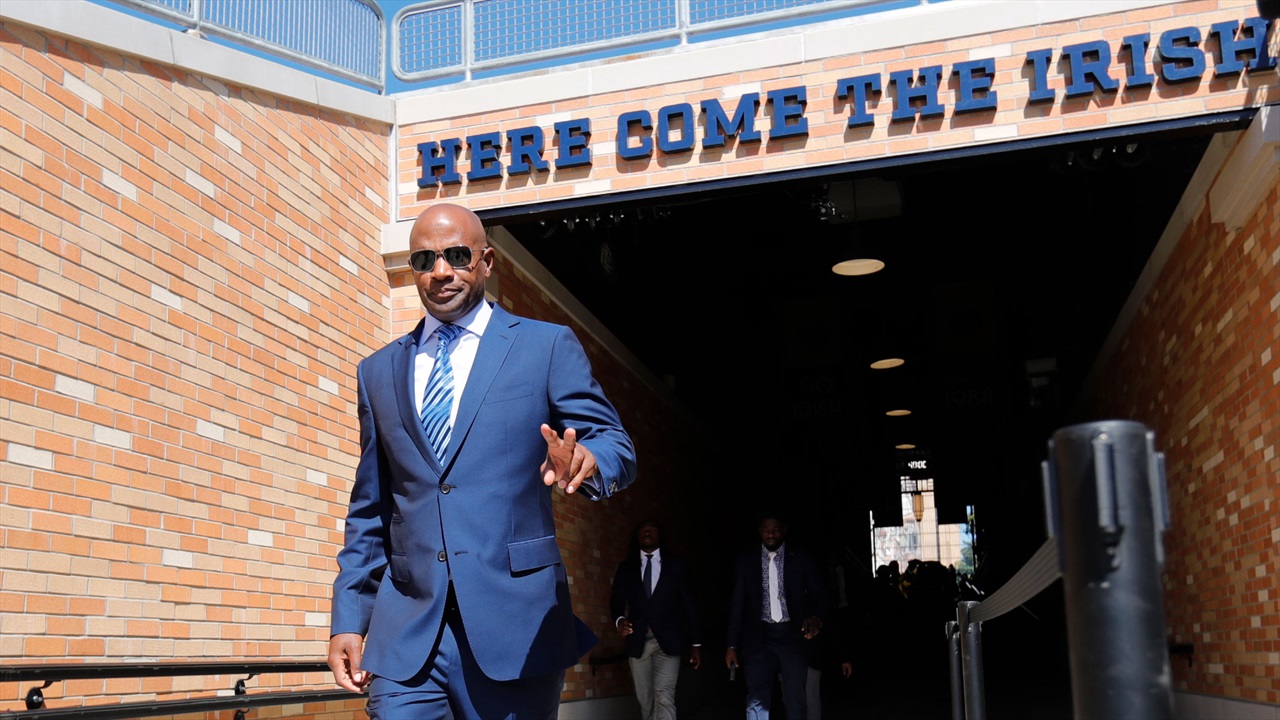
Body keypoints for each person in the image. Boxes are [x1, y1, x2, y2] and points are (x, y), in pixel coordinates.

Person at [326, 203, 638, 720]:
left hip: (516, 626)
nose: (440, 271)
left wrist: (588, 459)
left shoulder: (544, 346)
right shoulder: (377, 371)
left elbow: (615, 444)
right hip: (407, 634)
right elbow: (371, 507)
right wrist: (348, 616)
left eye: (456, 255)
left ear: (486, 262)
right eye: (424, 259)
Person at [724, 515, 829, 719]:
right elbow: (738, 603)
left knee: (796, 699)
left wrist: (816, 618)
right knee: (756, 699)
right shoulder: (747, 560)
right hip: (759, 638)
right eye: (766, 530)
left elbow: (819, 594)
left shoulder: (800, 558)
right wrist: (731, 644)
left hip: (793, 637)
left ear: (784, 531)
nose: (770, 534)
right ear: (760, 531)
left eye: (775, 530)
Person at [610, 519, 703, 720]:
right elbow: (616, 600)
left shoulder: (676, 566)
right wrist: (619, 621)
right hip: (638, 639)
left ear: (660, 535)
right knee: (646, 700)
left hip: (669, 641)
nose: (647, 533)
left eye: (651, 530)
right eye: (643, 531)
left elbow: (690, 605)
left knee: (665, 695)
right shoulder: (627, 568)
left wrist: (696, 644)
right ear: (637, 537)